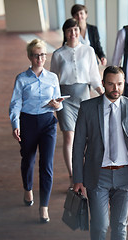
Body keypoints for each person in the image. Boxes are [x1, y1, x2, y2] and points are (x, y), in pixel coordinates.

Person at [72, 66, 128, 240]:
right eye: (110, 84)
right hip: (97, 174)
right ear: (103, 84)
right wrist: (77, 178)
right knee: (100, 226)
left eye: (119, 84)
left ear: (124, 84)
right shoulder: (87, 108)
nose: (115, 89)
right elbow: (78, 146)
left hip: (125, 176)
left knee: (120, 225)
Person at [9, 39, 64, 223]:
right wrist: (15, 124)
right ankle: (28, 187)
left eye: (42, 55)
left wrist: (57, 105)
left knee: (46, 165)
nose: (40, 58)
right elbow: (15, 104)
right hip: (28, 123)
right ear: (29, 56)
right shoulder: (21, 79)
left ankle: (44, 206)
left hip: (48, 123)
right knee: (28, 160)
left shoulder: (53, 78)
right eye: (36, 55)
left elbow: (58, 103)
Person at [51, 18, 103, 188]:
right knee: (69, 137)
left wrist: (104, 93)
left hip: (84, 97)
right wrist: (53, 101)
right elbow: (53, 80)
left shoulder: (88, 51)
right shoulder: (58, 54)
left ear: (80, 31)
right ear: (65, 33)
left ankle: (85, 172)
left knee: (86, 138)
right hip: (65, 99)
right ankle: (73, 176)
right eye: (69, 30)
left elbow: (94, 77)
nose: (73, 33)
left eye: (76, 30)